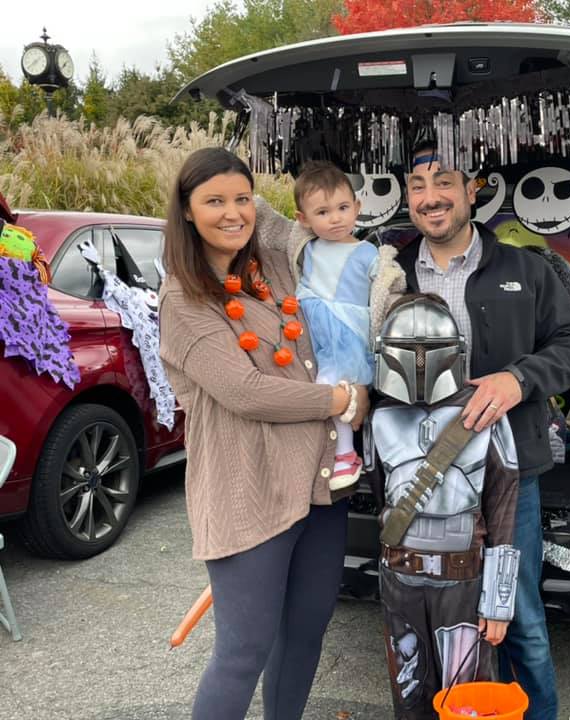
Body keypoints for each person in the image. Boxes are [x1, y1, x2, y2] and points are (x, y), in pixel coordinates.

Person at [158, 147, 369, 720]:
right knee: (242, 652)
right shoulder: (184, 298)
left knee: (304, 635)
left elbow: (324, 240)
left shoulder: (274, 266)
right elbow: (245, 391)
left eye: (242, 198)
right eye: (215, 201)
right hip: (248, 492)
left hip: (319, 488)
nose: (233, 213)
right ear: (186, 210)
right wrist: (342, 400)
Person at [395, 143, 570, 719]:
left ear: (472, 189)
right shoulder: (389, 273)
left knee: (517, 615)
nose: (431, 197)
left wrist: (517, 378)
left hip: (508, 474)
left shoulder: (525, 269)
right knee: (435, 614)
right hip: (420, 476)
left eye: (444, 182)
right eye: (417, 185)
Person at [370, 293, 520, 720]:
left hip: (462, 578)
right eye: (409, 350)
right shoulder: (379, 416)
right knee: (409, 689)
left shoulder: (485, 412)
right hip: (400, 574)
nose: (419, 363)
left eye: (430, 349)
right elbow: (385, 499)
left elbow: (504, 507)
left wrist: (498, 604)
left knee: (466, 696)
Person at [254, 161, 406, 490]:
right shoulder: (305, 246)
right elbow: (270, 228)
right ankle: (319, 455)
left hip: (344, 331)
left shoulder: (368, 252)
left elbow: (388, 288)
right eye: (323, 212)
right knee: (307, 388)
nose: (335, 218)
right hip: (307, 326)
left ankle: (345, 454)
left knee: (334, 388)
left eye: (342, 208)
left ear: (357, 208)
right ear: (303, 219)